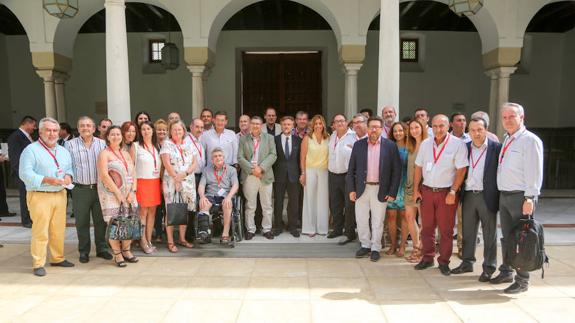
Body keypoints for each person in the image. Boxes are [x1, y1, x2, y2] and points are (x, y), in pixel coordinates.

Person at [491, 102, 543, 294]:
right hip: (505, 195)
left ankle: (523, 280)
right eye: (504, 117)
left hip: (521, 197)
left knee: (522, 239)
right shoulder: (508, 139)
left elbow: (535, 172)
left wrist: (530, 197)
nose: (507, 120)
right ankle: (507, 271)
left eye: (511, 116)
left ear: (522, 117)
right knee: (508, 238)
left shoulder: (530, 141)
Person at [413, 114, 468, 275]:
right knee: (427, 228)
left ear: (448, 126)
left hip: (446, 193)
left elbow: (461, 169)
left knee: (446, 230)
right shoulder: (425, 144)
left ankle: (444, 261)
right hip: (427, 191)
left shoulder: (457, 145)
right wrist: (416, 189)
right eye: (435, 126)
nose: (438, 129)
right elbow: (418, 167)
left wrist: (453, 191)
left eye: (441, 126)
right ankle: (427, 258)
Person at [20, 117, 75, 276]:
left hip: (60, 194)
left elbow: (70, 169)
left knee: (58, 230)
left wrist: (69, 177)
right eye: (48, 130)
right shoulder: (31, 150)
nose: (52, 134)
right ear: (41, 131)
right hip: (40, 195)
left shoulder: (63, 151)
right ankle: (38, 263)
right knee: (41, 231)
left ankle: (57, 258)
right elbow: (25, 173)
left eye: (55, 130)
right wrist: (48, 180)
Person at [450, 117, 502, 282]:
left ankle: (489, 267)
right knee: (468, 232)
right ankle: (467, 262)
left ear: (486, 130)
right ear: (468, 131)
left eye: (479, 129)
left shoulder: (496, 148)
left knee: (489, 234)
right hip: (469, 195)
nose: (476, 133)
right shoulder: (464, 148)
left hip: (487, 195)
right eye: (472, 130)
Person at [347, 116, 402, 262]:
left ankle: (375, 248)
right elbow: (351, 169)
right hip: (361, 189)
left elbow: (396, 171)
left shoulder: (390, 146)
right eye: (371, 126)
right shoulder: (358, 145)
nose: (374, 129)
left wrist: (392, 192)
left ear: (381, 129)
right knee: (361, 220)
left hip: (380, 189)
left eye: (377, 127)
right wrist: (351, 189)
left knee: (378, 221)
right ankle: (365, 245)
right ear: (367, 127)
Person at [65, 116, 111, 263]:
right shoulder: (69, 145)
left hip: (99, 188)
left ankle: (102, 249)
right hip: (80, 189)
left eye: (88, 125)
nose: (85, 128)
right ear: (78, 128)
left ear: (93, 128)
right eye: (82, 126)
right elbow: (67, 165)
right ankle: (84, 251)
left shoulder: (102, 144)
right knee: (82, 222)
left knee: (100, 221)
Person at [97, 125, 138, 267]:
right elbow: (104, 175)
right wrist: (118, 194)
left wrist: (133, 191)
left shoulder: (126, 153)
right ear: (107, 137)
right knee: (115, 224)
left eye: (118, 134)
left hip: (129, 195)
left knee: (128, 223)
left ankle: (126, 250)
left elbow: (133, 173)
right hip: (111, 195)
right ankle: (117, 254)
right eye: (112, 134)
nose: (116, 137)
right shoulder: (104, 153)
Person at [160, 120, 198, 252]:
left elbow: (194, 163)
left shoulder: (189, 144)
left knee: (185, 210)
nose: (177, 132)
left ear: (184, 131)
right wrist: (176, 179)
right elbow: (166, 163)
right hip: (171, 182)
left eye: (179, 129)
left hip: (188, 181)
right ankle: (170, 241)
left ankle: (182, 238)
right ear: (170, 131)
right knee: (171, 210)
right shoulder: (167, 144)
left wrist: (185, 173)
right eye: (174, 129)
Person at [238, 116, 277, 240]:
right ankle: (250, 229)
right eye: (253, 123)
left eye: (258, 124)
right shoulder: (243, 139)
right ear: (250, 125)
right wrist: (252, 170)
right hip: (250, 176)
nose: (255, 126)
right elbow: (240, 157)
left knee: (267, 205)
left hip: (264, 174)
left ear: (262, 125)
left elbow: (273, 154)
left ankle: (267, 229)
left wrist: (261, 168)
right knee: (250, 205)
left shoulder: (269, 138)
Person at [337, 113, 368, 246]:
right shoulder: (348, 138)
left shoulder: (370, 138)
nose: (357, 125)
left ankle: (366, 237)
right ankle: (349, 233)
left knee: (366, 209)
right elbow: (345, 160)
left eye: (359, 122)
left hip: (367, 178)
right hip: (351, 176)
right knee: (349, 207)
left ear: (366, 123)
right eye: (354, 123)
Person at [131, 121, 162, 254]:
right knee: (142, 213)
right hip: (142, 182)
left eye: (148, 129)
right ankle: (142, 241)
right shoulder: (136, 146)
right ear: (140, 131)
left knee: (152, 213)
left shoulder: (157, 146)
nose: (146, 131)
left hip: (155, 182)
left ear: (152, 130)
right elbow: (131, 168)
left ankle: (149, 239)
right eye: (143, 129)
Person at [198, 148, 240, 244]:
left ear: (224, 158)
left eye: (220, 155)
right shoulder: (206, 170)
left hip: (225, 196)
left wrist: (229, 197)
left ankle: (225, 234)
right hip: (211, 195)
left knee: (227, 204)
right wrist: (202, 196)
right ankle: (204, 232)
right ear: (212, 159)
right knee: (204, 203)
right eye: (215, 156)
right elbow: (201, 185)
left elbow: (235, 185)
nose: (218, 158)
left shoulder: (231, 170)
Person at [300, 115, 329, 237]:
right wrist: (303, 173)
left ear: (323, 125)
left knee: (323, 200)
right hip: (310, 170)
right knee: (309, 199)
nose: (318, 126)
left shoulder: (328, 138)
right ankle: (309, 228)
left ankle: (322, 228)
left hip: (324, 171)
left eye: (320, 123)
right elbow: (302, 157)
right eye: (315, 124)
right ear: (312, 125)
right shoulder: (307, 138)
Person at [327, 114, 356, 239]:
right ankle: (337, 229)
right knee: (335, 204)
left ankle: (349, 232)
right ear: (333, 124)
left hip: (347, 175)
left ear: (347, 122)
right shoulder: (332, 136)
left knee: (349, 205)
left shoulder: (353, 137)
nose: (339, 123)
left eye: (342, 121)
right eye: (336, 121)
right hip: (333, 174)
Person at [403, 119, 428, 263]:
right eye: (411, 128)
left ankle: (422, 249)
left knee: (424, 221)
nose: (414, 130)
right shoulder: (410, 146)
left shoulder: (428, 145)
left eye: (416, 127)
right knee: (409, 217)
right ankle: (416, 245)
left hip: (423, 187)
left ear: (422, 128)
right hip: (409, 186)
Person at [273, 116, 302, 237]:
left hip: (294, 175)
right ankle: (278, 226)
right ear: (281, 125)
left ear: (293, 126)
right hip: (278, 175)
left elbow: (300, 159)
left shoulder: (298, 140)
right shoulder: (274, 140)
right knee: (278, 201)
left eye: (289, 124)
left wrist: (302, 174)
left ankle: (293, 226)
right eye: (284, 124)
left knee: (294, 202)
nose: (286, 126)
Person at [384, 122, 409, 257]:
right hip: (392, 185)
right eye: (395, 131)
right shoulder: (389, 147)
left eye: (400, 130)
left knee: (405, 216)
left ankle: (403, 245)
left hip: (406, 185)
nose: (397, 133)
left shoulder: (411, 146)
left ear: (405, 131)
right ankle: (393, 244)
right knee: (391, 216)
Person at [8, 115, 36, 228]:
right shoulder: (15, 137)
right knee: (25, 197)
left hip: (30, 172)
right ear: (27, 124)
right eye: (33, 125)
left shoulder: (28, 136)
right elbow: (15, 158)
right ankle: (26, 220)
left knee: (30, 196)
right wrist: (23, 173)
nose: (34, 128)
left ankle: (31, 217)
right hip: (22, 173)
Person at [153, 119, 168, 242]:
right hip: (154, 180)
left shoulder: (169, 144)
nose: (161, 131)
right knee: (157, 208)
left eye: (164, 129)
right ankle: (158, 232)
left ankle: (168, 232)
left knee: (167, 207)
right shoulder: (152, 145)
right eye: (159, 129)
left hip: (168, 180)